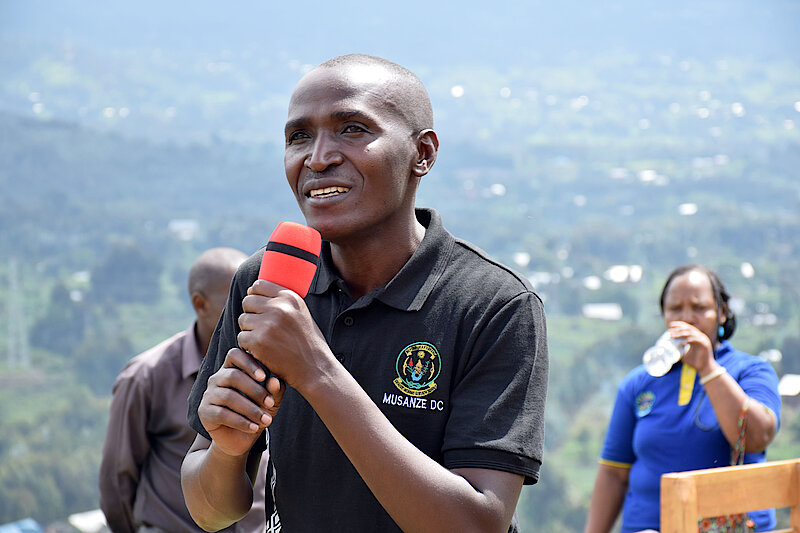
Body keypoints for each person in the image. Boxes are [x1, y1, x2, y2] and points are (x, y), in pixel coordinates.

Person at [181, 54, 549, 533]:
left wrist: (316, 370)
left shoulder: (493, 306)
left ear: (423, 153)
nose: (318, 158)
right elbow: (211, 512)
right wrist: (228, 452)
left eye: (352, 129)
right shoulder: (267, 283)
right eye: (298, 137)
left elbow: (478, 525)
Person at [584, 264, 781, 533]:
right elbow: (613, 473)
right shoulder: (638, 383)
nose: (687, 318)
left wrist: (708, 369)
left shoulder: (751, 372)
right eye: (675, 309)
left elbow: (757, 438)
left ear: (722, 313)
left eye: (699, 308)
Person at [99, 247, 269, 533]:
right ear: (200, 305)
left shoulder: (268, 367)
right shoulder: (146, 377)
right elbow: (117, 480)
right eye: (237, 299)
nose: (249, 308)